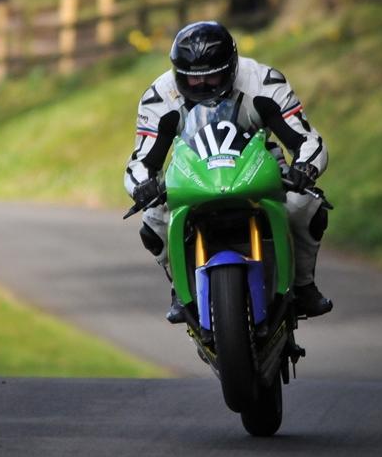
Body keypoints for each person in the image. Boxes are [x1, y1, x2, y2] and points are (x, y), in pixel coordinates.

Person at [124, 20, 333, 324]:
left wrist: (305, 168)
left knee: (307, 205)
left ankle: (303, 285)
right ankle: (180, 290)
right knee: (153, 220)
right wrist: (142, 186)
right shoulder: (159, 98)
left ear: (232, 66)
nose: (204, 86)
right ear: (177, 74)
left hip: (257, 163)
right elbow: (141, 160)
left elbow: (307, 139)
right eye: (193, 80)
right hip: (191, 170)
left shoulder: (264, 82)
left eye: (214, 76)